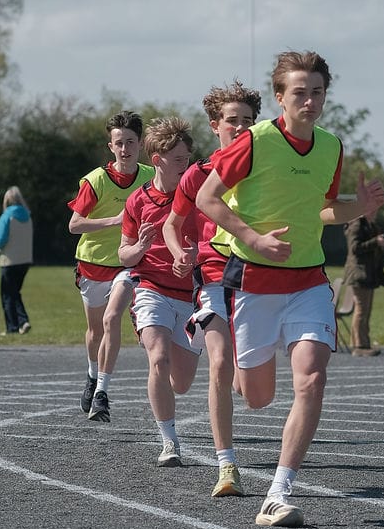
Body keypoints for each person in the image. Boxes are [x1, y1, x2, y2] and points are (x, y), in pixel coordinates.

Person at [196, 50, 384, 527]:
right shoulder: (254, 141)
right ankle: (243, 372)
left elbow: (325, 209)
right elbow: (206, 197)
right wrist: (254, 237)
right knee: (257, 397)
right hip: (255, 282)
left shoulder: (331, 147)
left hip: (308, 282)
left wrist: (359, 207)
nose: (310, 101)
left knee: (312, 379)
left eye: (317, 92)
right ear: (280, 97)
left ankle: (277, 493)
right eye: (300, 92)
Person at [163, 80, 261, 498]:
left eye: (248, 120)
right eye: (232, 120)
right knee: (219, 363)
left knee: (250, 389)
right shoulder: (198, 175)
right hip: (214, 274)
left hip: (258, 279)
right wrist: (179, 253)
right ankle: (227, 466)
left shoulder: (265, 171)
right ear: (214, 125)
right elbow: (171, 224)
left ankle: (244, 377)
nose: (240, 127)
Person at [118, 117, 200, 464]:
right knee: (159, 359)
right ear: (157, 160)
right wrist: (139, 247)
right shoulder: (138, 201)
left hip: (191, 296)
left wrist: (194, 257)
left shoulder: (199, 196)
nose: (186, 165)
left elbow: (215, 242)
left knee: (181, 382)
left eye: (188, 158)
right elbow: (123, 255)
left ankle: (167, 396)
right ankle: (169, 442)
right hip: (152, 289)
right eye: (179, 159)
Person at [67, 111, 155, 420]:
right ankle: (92, 376)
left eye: (130, 142)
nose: (125, 149)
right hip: (93, 263)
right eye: (119, 143)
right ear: (111, 146)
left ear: (140, 144)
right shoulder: (97, 181)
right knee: (95, 331)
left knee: (111, 320)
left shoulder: (150, 177)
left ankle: (102, 393)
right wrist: (116, 220)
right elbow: (74, 224)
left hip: (127, 262)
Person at [0, 186, 33, 336]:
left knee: (7, 294)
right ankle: (21, 323)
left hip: (10, 261)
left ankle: (14, 326)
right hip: (25, 261)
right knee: (14, 292)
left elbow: (1, 238)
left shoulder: (6, 216)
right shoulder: (28, 216)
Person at [342, 209, 384, 356]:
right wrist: (376, 241)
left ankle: (361, 343)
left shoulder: (370, 225)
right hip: (359, 274)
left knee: (365, 310)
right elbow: (354, 248)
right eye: (371, 208)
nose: (375, 211)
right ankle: (360, 346)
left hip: (369, 273)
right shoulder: (356, 225)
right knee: (361, 310)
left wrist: (380, 244)